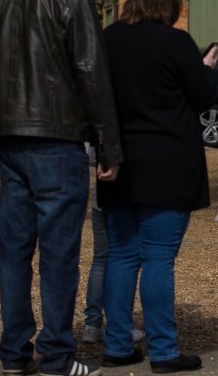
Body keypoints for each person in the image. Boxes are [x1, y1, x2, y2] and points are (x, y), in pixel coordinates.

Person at [0, 0, 122, 376]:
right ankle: (57, 356)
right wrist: (108, 147)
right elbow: (92, 75)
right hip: (57, 140)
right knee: (59, 255)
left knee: (14, 253)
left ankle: (14, 354)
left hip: (12, 140)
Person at [97, 0, 218, 373]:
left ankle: (116, 345)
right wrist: (205, 69)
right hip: (168, 163)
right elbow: (203, 98)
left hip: (118, 162)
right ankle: (164, 351)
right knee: (158, 259)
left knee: (121, 256)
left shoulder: (109, 39)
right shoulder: (176, 43)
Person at [81, 143, 144, 345]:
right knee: (125, 261)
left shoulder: (103, 128)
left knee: (100, 260)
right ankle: (121, 325)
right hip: (128, 197)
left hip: (102, 195)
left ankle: (92, 324)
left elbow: (91, 155)